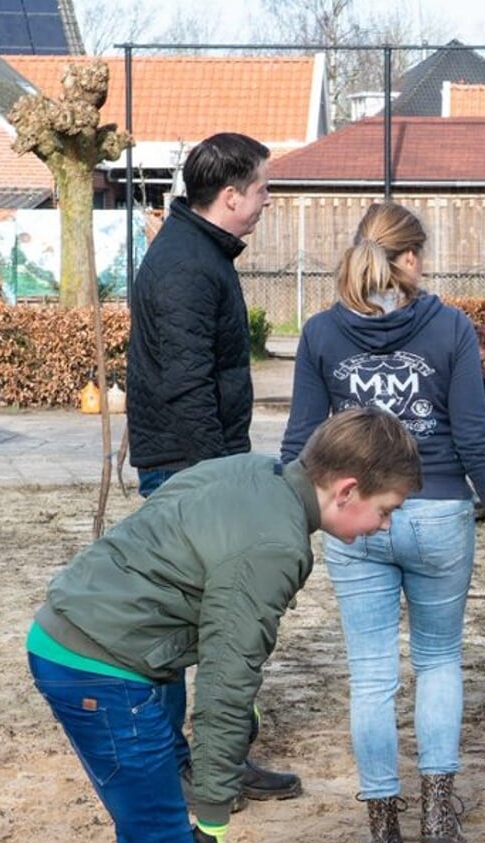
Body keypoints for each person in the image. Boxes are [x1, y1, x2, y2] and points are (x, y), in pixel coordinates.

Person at [27, 408, 420, 843]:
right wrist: (210, 815)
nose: (384, 527)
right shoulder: (274, 543)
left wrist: (184, 771)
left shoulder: (250, 473)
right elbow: (229, 684)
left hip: (89, 649)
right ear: (347, 489)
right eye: (385, 511)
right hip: (104, 671)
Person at [281, 203, 485, 843]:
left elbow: (301, 440)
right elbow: (474, 433)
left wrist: (287, 513)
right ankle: (439, 810)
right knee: (440, 659)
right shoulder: (448, 327)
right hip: (440, 507)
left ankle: (382, 824)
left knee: (370, 673)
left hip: (353, 515)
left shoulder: (322, 333)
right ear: (410, 258)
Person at [124, 131, 298, 803]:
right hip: (187, 473)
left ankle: (210, 754)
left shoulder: (199, 253)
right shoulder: (185, 268)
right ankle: (175, 765)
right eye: (260, 190)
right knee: (183, 621)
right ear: (229, 196)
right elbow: (185, 382)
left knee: (213, 617)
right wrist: (214, 485)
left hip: (196, 465)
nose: (266, 201)